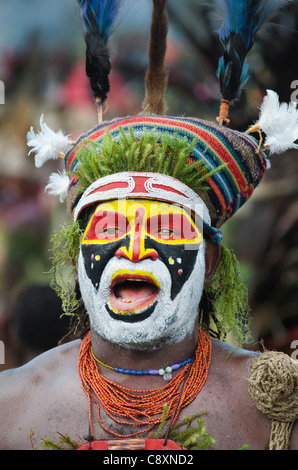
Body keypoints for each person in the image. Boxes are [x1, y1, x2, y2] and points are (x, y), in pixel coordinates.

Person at [0, 0, 297, 451]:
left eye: (167, 228)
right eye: (110, 227)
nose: (134, 249)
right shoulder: (13, 406)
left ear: (210, 258)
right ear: (78, 254)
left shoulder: (276, 409)